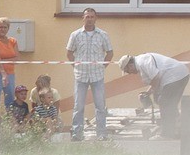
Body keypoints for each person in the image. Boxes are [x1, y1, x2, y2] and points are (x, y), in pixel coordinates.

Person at [65, 8, 113, 141]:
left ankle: (101, 134)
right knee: (78, 106)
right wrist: (75, 66)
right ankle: (77, 134)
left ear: (95, 18)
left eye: (92, 17)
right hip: (80, 76)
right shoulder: (75, 35)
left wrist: (103, 66)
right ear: (83, 18)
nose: (90, 19)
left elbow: (110, 53)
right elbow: (69, 53)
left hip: (97, 76)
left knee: (100, 106)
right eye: (87, 17)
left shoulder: (103, 35)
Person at [118, 53, 190, 140]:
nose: (129, 73)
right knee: (167, 103)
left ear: (130, 65)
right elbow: (155, 81)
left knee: (165, 103)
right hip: (179, 75)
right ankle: (178, 129)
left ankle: (167, 134)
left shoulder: (143, 62)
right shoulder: (141, 62)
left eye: (127, 71)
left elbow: (156, 77)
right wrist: (147, 93)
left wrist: (152, 93)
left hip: (175, 76)